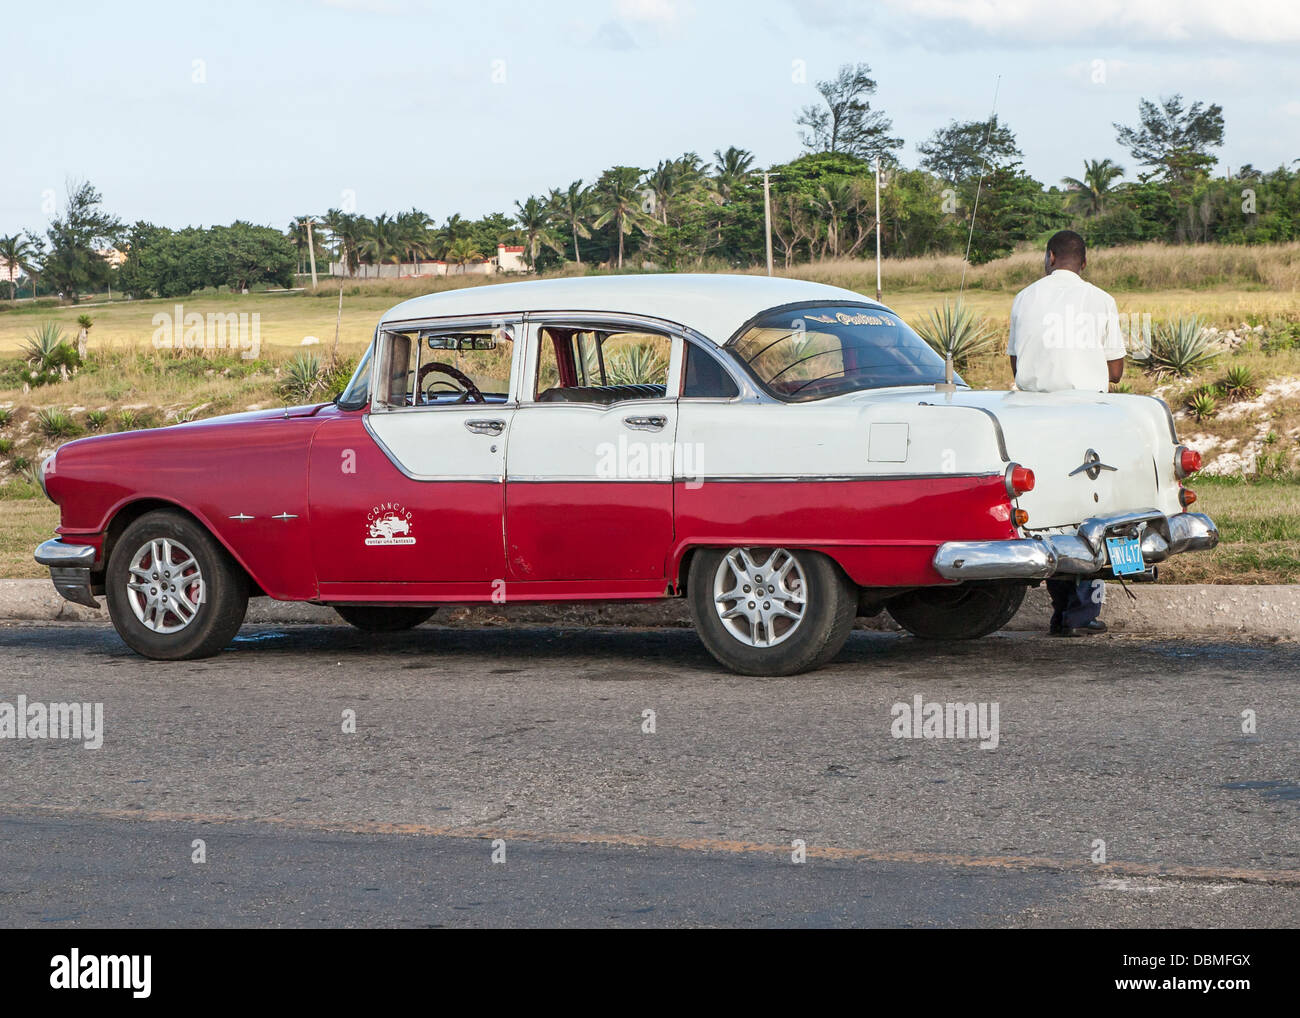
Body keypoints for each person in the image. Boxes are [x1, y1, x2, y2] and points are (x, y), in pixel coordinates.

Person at [1007, 230, 1126, 637]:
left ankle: (1066, 610)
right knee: (1091, 508)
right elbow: (1114, 371)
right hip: (1088, 414)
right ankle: (1080, 614)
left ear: (1050, 257)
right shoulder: (1101, 300)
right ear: (1084, 262)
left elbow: (1015, 362)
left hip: (1035, 415)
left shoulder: (1025, 297)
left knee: (1050, 511)